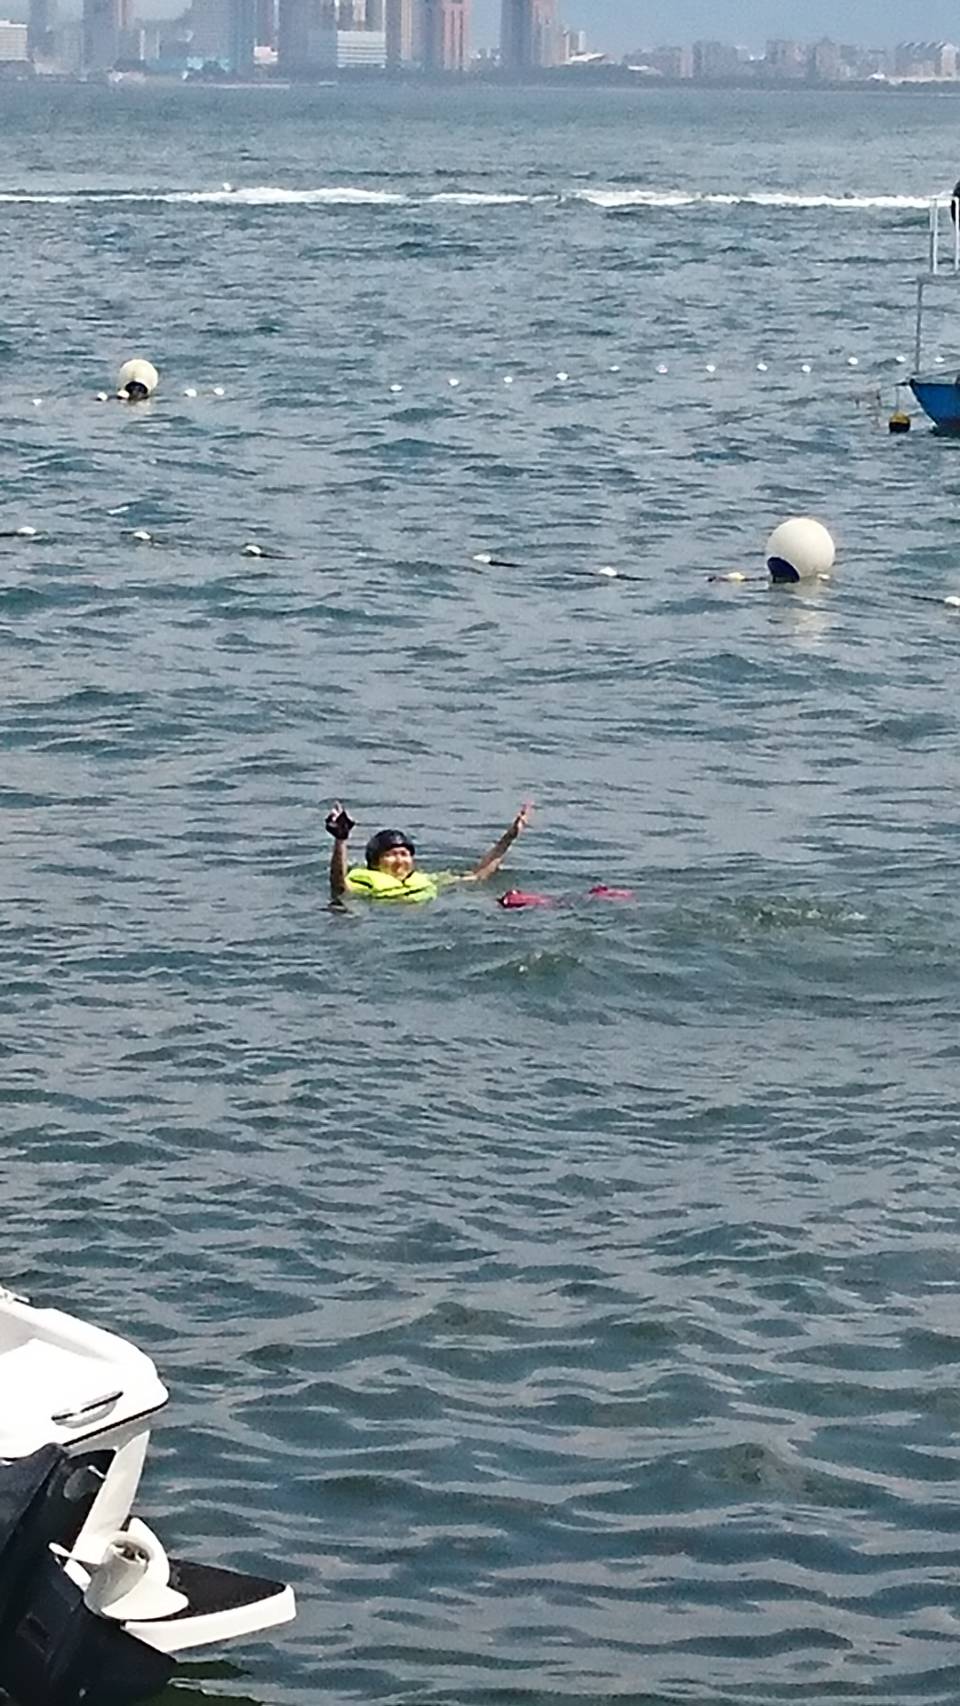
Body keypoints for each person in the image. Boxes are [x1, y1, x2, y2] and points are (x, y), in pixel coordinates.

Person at [325, 801, 531, 903]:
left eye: (404, 854)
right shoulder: (363, 884)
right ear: (375, 862)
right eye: (391, 855)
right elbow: (339, 887)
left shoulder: (428, 880)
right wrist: (340, 840)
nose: (399, 860)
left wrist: (509, 837)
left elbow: (478, 875)